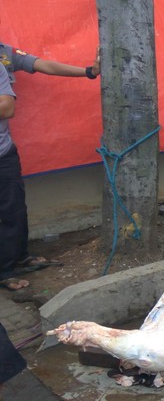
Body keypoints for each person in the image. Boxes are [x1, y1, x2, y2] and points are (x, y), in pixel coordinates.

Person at [0, 42, 100, 291]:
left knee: (14, 209)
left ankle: (18, 257)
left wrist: (89, 72)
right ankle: (4, 270)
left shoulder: (4, 53)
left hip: (3, 152)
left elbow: (43, 66)